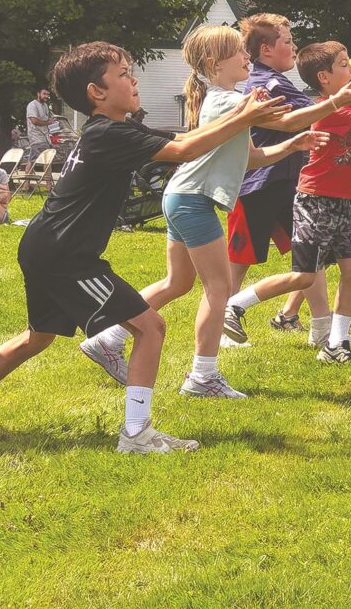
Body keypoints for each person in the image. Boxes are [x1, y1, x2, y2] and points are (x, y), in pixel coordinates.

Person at [0, 42, 287, 452]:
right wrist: (246, 114)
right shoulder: (109, 133)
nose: (134, 79)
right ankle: (136, 435)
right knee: (150, 328)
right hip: (66, 255)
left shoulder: (116, 131)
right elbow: (185, 151)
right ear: (96, 93)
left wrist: (243, 115)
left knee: (37, 338)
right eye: (123, 74)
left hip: (47, 247)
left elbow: (187, 138)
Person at [77, 25, 325, 399]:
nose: (247, 57)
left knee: (178, 284)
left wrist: (293, 146)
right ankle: (202, 376)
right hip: (192, 201)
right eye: (240, 53)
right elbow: (289, 118)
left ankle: (108, 337)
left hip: (181, 196)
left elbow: (252, 157)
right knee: (219, 288)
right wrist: (338, 101)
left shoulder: (226, 99)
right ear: (214, 63)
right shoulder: (229, 102)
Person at [221, 43, 351, 362]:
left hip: (344, 201)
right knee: (305, 276)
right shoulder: (333, 111)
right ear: (325, 77)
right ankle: (235, 305)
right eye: (345, 65)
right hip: (316, 200)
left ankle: (335, 344)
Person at [222, 14, 351, 346]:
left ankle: (321, 328)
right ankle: (223, 321)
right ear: (266, 49)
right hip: (256, 183)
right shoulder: (267, 83)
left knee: (310, 257)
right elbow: (309, 114)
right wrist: (339, 102)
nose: (293, 47)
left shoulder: (279, 80)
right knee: (241, 259)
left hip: (283, 180)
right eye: (287, 42)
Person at [25, 88, 55, 165]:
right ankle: (29, 175)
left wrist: (51, 121)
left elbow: (47, 120)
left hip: (45, 138)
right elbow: (34, 121)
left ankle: (31, 174)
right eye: (44, 94)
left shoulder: (45, 106)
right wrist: (48, 122)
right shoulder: (32, 105)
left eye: (48, 94)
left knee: (45, 161)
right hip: (36, 137)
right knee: (36, 161)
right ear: (38, 94)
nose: (46, 96)